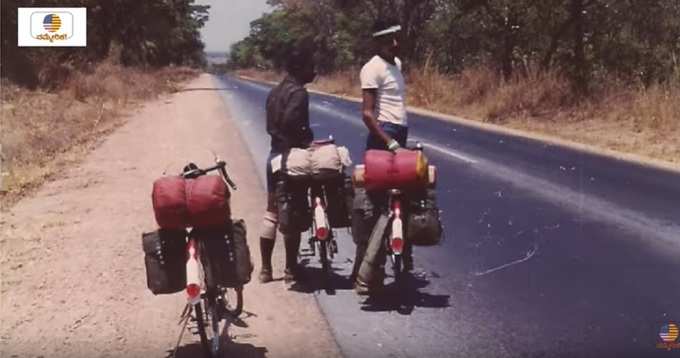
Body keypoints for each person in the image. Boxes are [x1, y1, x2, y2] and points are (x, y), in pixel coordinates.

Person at [352, 20, 413, 292]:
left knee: (404, 193)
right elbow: (367, 113)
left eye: (396, 38)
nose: (395, 43)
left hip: (399, 132)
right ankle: (367, 271)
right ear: (378, 43)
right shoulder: (371, 68)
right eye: (389, 40)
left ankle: (404, 253)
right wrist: (388, 143)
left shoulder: (396, 65)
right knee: (375, 206)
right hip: (383, 136)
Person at [258, 43, 317, 283]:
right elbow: (290, 122)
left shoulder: (274, 92)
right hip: (291, 157)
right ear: (299, 68)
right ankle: (291, 269)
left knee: (272, 211)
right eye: (310, 67)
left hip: (273, 155)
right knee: (292, 212)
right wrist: (306, 138)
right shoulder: (300, 93)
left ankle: (265, 270)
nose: (313, 71)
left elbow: (271, 126)